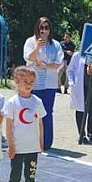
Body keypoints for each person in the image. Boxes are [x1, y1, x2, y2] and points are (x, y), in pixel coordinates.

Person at [3, 66, 46, 182]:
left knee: (30, 176)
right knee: (15, 177)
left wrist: (41, 142)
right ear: (16, 81)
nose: (29, 84)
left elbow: (40, 123)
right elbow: (8, 126)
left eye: (31, 82)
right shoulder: (12, 102)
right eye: (25, 81)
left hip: (32, 147)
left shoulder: (37, 102)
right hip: (18, 147)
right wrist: (11, 145)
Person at [23, 17, 64, 151]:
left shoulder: (55, 45)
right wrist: (37, 48)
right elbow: (28, 57)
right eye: (42, 27)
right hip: (34, 83)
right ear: (37, 28)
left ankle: (46, 142)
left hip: (49, 84)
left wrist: (44, 65)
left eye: (46, 28)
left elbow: (59, 63)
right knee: (33, 112)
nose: (44, 30)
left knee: (47, 112)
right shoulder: (30, 41)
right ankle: (33, 141)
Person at [67, 48, 92, 144]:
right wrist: (72, 83)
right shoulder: (77, 55)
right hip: (81, 87)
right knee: (80, 110)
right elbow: (70, 70)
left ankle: (90, 132)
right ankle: (81, 133)